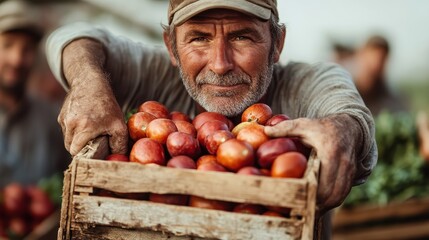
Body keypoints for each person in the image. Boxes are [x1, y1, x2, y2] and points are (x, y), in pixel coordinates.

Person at [46, 0, 377, 219]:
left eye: (242, 37)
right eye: (199, 38)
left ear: (277, 43)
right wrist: (89, 83)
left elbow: (347, 110)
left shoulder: (305, 83)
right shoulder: (159, 73)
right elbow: (72, 36)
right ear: (171, 47)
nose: (220, 65)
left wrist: (345, 130)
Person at [0, 0, 69, 187]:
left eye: (27, 49)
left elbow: (66, 178)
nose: (17, 59)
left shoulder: (52, 119)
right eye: (8, 45)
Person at [353, 35, 407, 116]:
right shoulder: (348, 91)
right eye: (372, 59)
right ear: (361, 55)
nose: (376, 64)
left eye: (381, 59)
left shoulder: (392, 99)